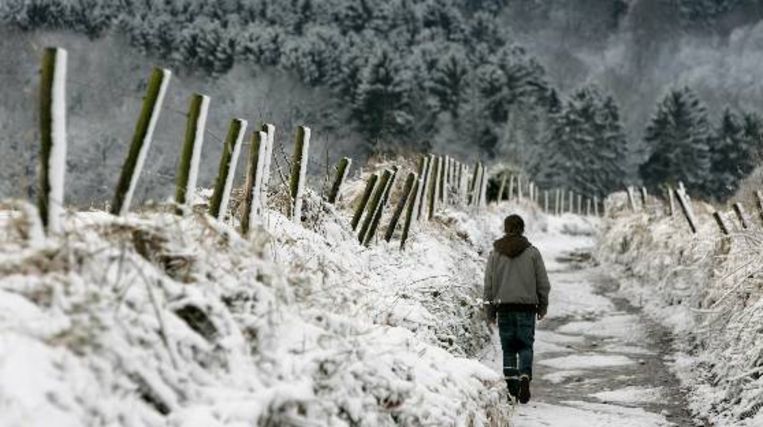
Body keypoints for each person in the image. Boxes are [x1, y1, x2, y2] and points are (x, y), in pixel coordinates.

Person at [483, 214, 550, 404]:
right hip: (527, 308)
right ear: (522, 228)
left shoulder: (495, 254)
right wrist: (543, 305)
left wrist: (490, 310)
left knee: (509, 347)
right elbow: (542, 282)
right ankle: (525, 377)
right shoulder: (532, 253)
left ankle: (512, 386)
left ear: (505, 228)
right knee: (525, 345)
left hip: (504, 307)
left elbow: (489, 284)